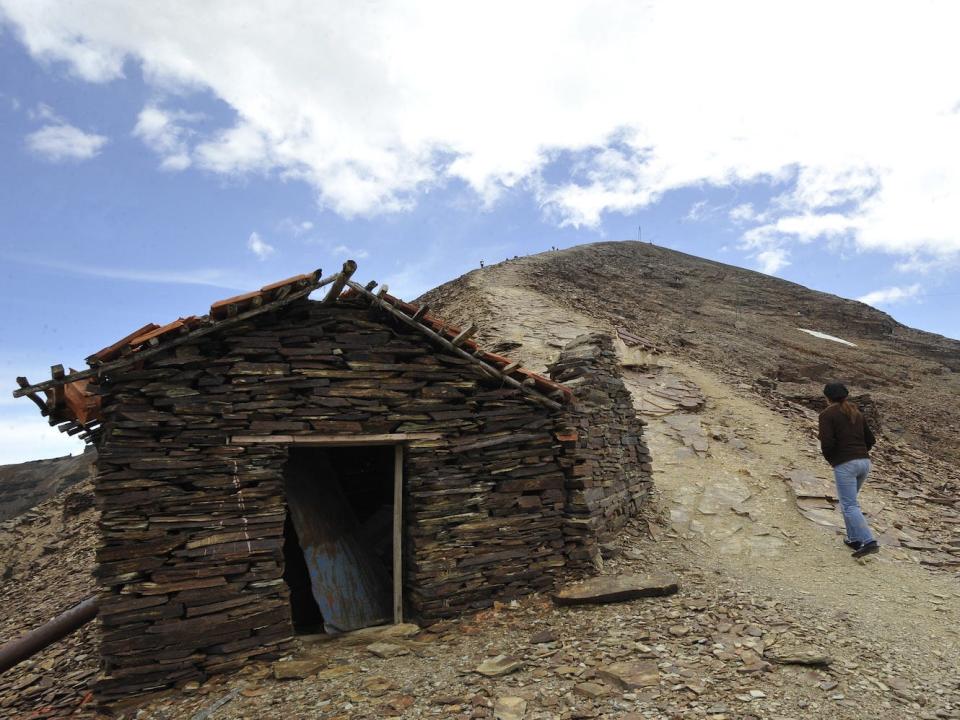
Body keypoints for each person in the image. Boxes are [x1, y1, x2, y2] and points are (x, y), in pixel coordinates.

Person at [818, 382, 879, 558]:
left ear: (827, 397)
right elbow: (871, 440)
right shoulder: (855, 412)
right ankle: (853, 539)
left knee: (849, 505)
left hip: (846, 464)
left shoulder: (826, 415)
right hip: (864, 463)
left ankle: (869, 541)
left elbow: (827, 443)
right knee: (849, 503)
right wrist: (859, 452)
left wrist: (834, 460)